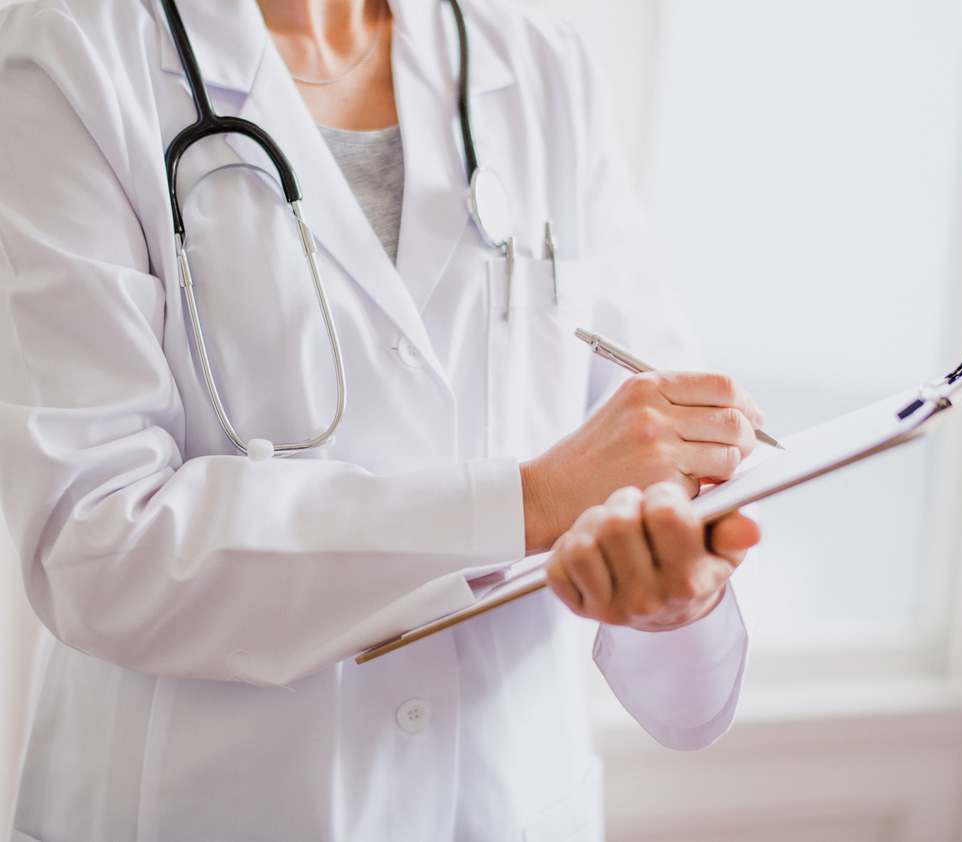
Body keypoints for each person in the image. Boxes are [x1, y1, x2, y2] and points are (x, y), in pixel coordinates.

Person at [0, 0, 762, 838]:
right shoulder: (70, 53)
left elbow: (649, 457)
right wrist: (528, 502)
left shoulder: (541, 62)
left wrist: (664, 579)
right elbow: (97, 539)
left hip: (504, 801)